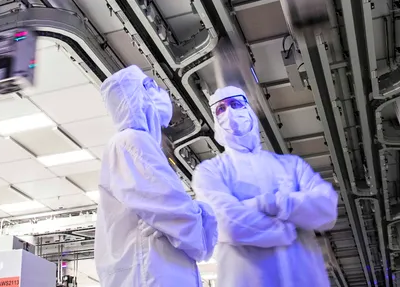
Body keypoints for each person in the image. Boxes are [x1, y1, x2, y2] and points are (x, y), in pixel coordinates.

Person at [193, 85, 339, 286]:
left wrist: (270, 204)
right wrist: (289, 226)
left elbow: (326, 208)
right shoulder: (209, 171)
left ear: (249, 110)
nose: (229, 113)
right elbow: (228, 223)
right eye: (220, 109)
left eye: (235, 104)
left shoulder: (291, 165)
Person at [95, 65, 218, 287]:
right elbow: (176, 212)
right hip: (150, 275)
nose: (159, 93)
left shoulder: (137, 145)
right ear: (137, 95)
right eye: (149, 87)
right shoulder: (131, 142)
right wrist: (206, 214)